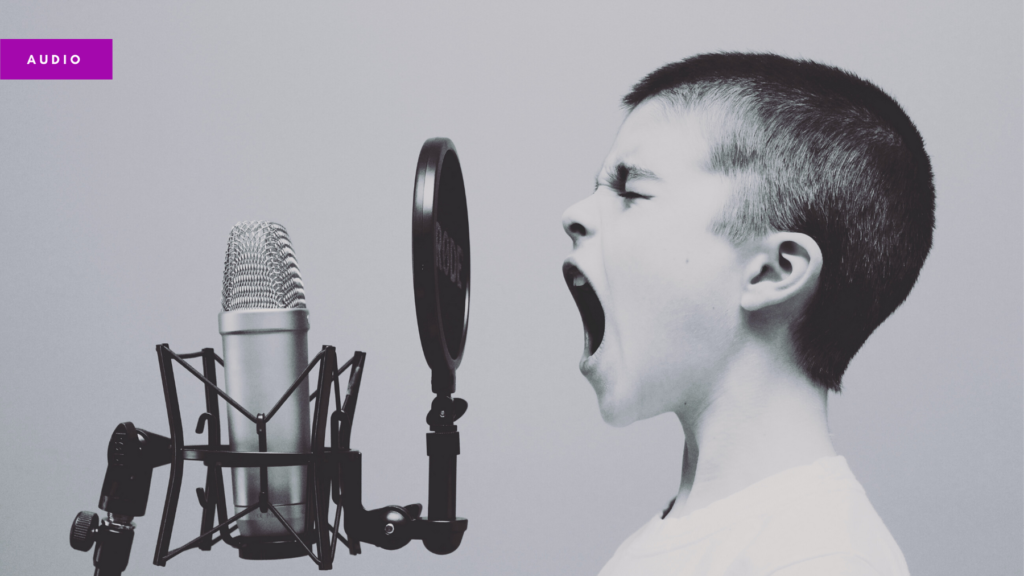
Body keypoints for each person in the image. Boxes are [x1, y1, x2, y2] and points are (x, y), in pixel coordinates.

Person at [561, 53, 934, 576]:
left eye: (631, 191)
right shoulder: (665, 543)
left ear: (773, 271)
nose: (574, 214)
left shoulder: (819, 558)